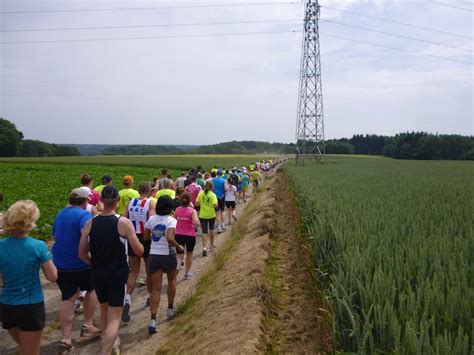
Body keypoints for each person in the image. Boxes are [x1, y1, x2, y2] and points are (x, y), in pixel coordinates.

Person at [79, 185, 144, 355]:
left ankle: (112, 342)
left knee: (104, 310)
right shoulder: (122, 222)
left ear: (101, 200)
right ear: (118, 200)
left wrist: (92, 262)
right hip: (117, 273)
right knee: (115, 317)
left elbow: (81, 253)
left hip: (98, 272)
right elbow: (139, 251)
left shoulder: (90, 223)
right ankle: (106, 351)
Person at [0, 200, 58, 355]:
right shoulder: (37, 246)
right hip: (30, 307)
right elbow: (52, 276)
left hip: (6, 306)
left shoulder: (1, 245)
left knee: (26, 348)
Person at [52, 188, 101, 352]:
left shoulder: (60, 214)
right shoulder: (84, 216)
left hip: (60, 263)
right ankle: (87, 324)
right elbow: (88, 236)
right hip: (80, 264)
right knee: (92, 288)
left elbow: (54, 236)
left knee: (68, 298)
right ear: (85, 201)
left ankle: (65, 338)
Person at [144, 196, 184, 334]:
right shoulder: (171, 220)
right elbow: (169, 238)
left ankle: (153, 319)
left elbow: (145, 237)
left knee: (156, 289)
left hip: (154, 255)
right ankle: (170, 308)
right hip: (168, 254)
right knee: (172, 280)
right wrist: (178, 247)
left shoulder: (151, 219)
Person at [121, 182, 156, 322]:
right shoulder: (150, 203)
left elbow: (124, 218)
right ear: (148, 191)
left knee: (133, 271)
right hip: (146, 237)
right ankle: (149, 296)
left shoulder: (130, 202)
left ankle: (127, 298)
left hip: (132, 236)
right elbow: (152, 221)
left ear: (138, 191)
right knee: (149, 270)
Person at [175, 192, 201, 280]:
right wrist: (198, 224)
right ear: (189, 201)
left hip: (178, 234)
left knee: (179, 255)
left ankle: (177, 267)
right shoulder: (192, 211)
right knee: (189, 255)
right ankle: (186, 273)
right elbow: (196, 222)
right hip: (190, 235)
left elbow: (174, 219)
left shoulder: (177, 209)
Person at [195, 181, 218, 257]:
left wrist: (202, 204)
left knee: (204, 232)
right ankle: (211, 244)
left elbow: (196, 204)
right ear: (212, 187)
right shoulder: (213, 195)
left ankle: (204, 248)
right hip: (211, 214)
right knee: (211, 229)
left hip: (202, 215)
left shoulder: (200, 194)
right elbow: (215, 205)